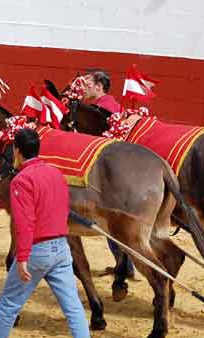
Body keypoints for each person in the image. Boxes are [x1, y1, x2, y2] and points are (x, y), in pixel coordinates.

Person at [0, 128, 95, 338]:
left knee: (8, 303)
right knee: (73, 307)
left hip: (37, 250)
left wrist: (22, 258)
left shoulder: (21, 181)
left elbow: (23, 223)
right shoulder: (56, 173)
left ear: (17, 152)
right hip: (61, 247)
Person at [82, 69, 134, 278]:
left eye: (87, 83)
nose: (84, 87)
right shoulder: (108, 105)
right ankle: (125, 266)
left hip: (111, 173)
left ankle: (126, 266)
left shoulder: (101, 110)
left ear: (98, 86)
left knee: (112, 221)